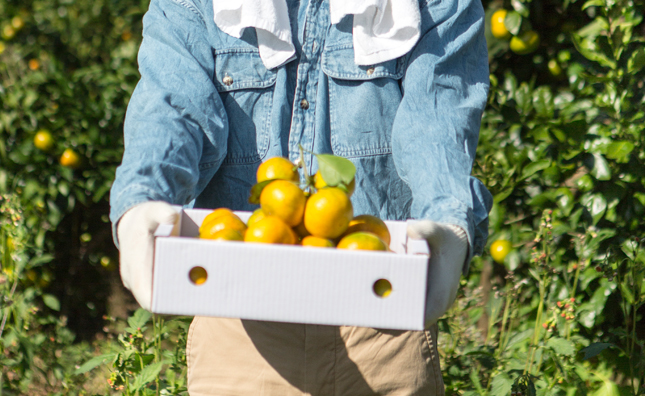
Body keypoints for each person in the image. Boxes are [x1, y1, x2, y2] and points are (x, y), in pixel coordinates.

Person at [110, 0, 492, 394]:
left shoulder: (433, 5)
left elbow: (436, 125)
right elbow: (172, 111)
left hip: (382, 324)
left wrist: (449, 220)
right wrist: (141, 200)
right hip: (240, 328)